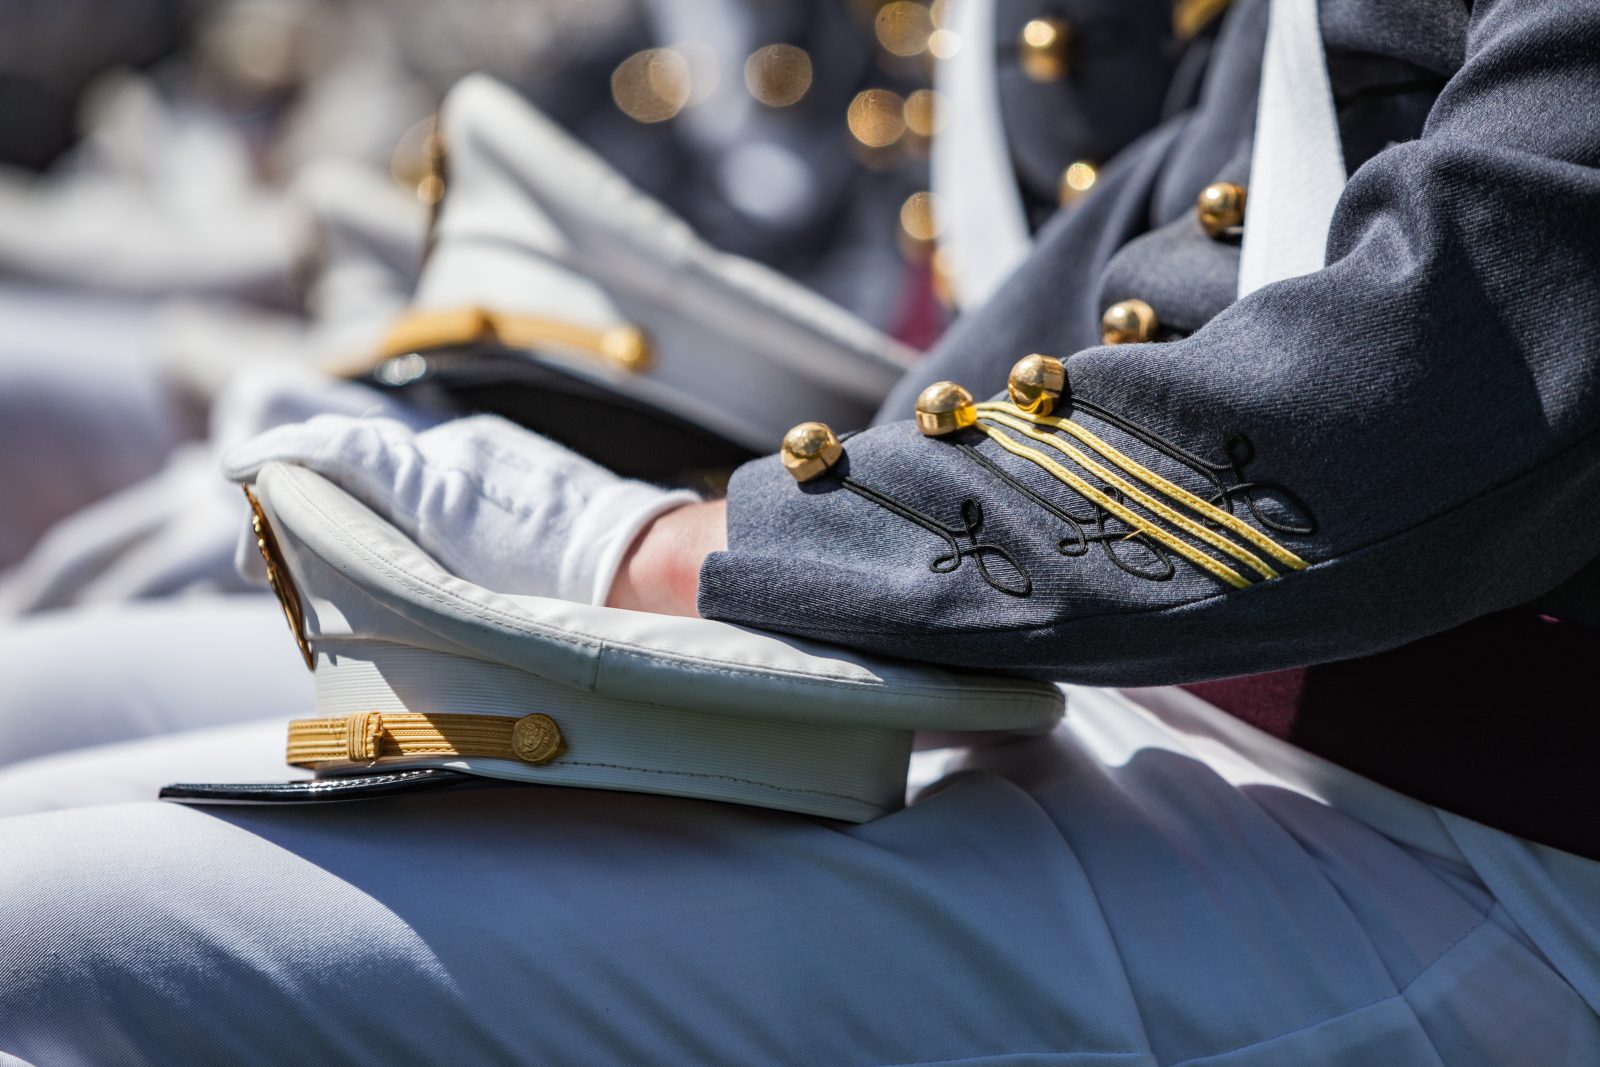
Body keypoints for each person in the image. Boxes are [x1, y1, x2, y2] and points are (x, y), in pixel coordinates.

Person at [3, 0, 1600, 1062]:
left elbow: (1471, 341)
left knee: (48, 951)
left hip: (1456, 836)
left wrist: (698, 553)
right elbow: (1197, 210)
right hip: (1113, 664)